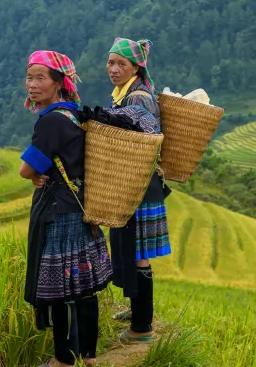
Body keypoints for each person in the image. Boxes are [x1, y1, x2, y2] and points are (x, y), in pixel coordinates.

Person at [20, 50, 113, 367]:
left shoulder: (50, 122)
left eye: (40, 78)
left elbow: (26, 169)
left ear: (59, 83)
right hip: (81, 208)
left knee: (58, 289)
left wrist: (34, 175)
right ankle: (89, 356)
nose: (32, 85)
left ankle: (62, 359)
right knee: (84, 288)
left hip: (60, 214)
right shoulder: (74, 114)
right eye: (29, 77)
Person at [105, 37, 171, 342]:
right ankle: (136, 309)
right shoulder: (124, 94)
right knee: (131, 249)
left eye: (121, 64)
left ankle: (141, 327)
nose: (114, 69)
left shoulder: (138, 98)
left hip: (140, 188)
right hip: (133, 185)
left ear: (135, 67)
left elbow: (144, 145)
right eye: (111, 62)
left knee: (138, 254)